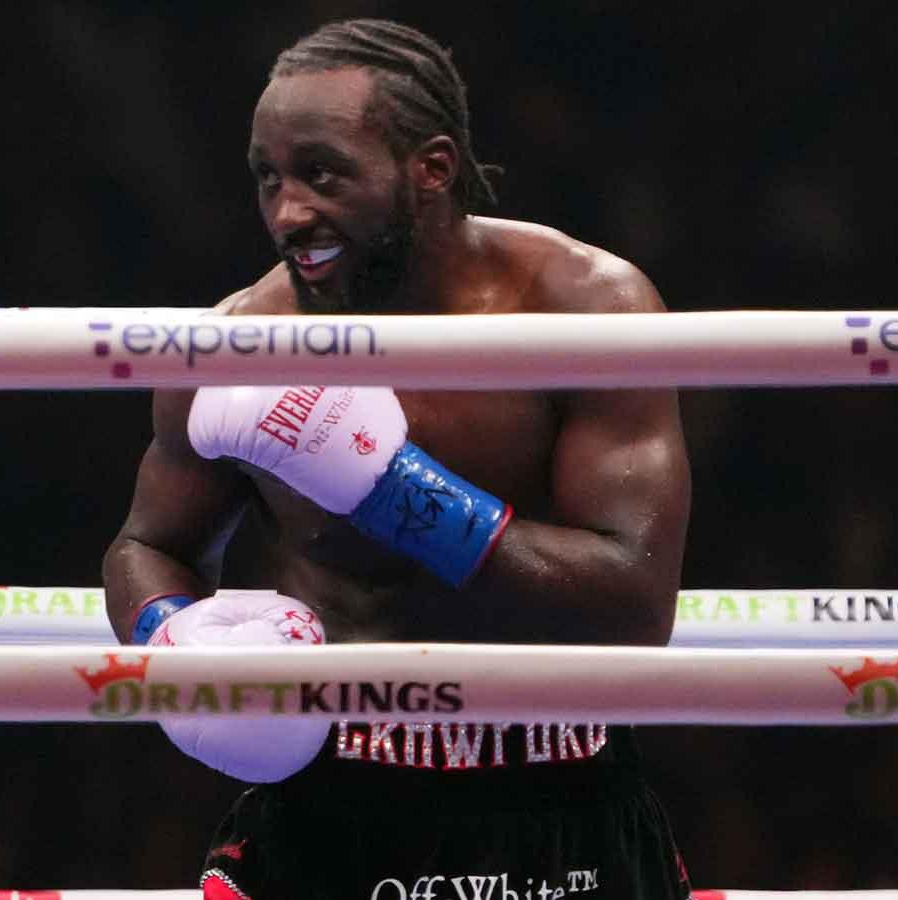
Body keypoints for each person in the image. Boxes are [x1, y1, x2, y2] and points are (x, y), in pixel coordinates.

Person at [103, 18, 692, 900]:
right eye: (268, 178)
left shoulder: (583, 310)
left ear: (433, 168)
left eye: (322, 173)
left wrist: (390, 493)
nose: (288, 213)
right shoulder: (241, 343)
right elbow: (145, 546)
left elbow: (636, 603)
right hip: (333, 791)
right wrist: (171, 635)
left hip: (558, 774)